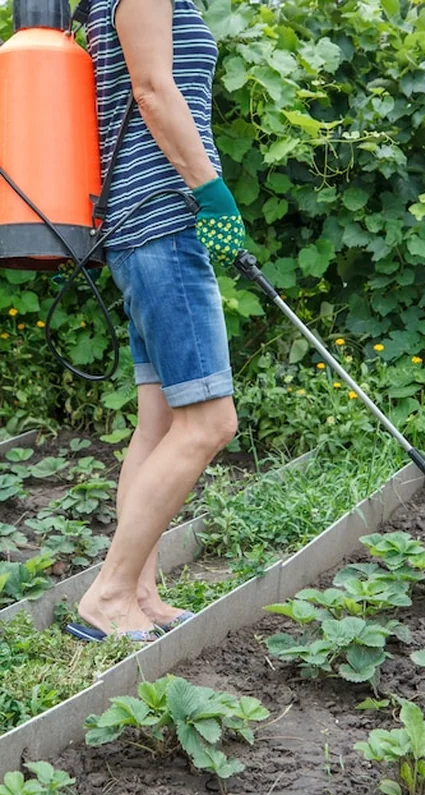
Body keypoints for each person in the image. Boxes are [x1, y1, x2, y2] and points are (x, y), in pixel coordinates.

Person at [67, 0, 244, 642]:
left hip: (145, 228)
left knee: (160, 422)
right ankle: (108, 595)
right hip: (163, 223)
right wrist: (210, 190)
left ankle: (138, 589)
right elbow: (152, 88)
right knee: (210, 423)